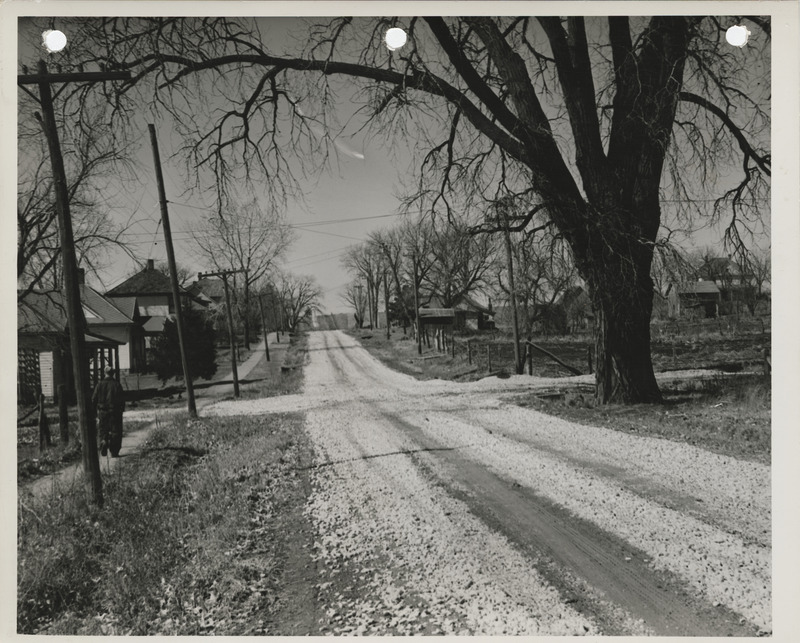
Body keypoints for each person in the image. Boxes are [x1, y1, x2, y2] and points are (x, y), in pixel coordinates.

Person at [92, 366, 125, 457]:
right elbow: (122, 399)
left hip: (103, 411)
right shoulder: (117, 384)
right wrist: (121, 410)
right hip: (115, 411)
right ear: (113, 373)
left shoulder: (99, 385)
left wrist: (94, 412)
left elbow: (94, 399)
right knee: (116, 431)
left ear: (104, 373)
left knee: (103, 430)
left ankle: (104, 441)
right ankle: (114, 451)